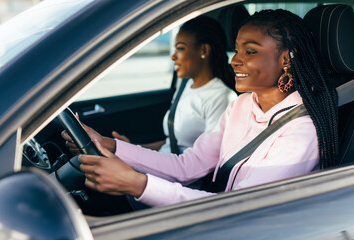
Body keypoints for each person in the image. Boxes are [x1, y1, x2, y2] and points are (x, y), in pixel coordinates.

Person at [62, 9, 338, 208]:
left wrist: (138, 184)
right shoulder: (242, 105)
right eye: (237, 50)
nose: (235, 61)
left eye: (250, 51)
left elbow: (238, 208)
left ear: (287, 59)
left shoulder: (301, 130)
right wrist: (111, 146)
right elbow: (188, 166)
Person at [113, 16, 237, 154]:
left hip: (179, 173)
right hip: (166, 166)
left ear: (204, 50)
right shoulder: (186, 84)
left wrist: (135, 162)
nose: (173, 56)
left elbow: (205, 163)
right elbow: (172, 144)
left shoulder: (221, 97)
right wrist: (133, 147)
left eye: (180, 48)